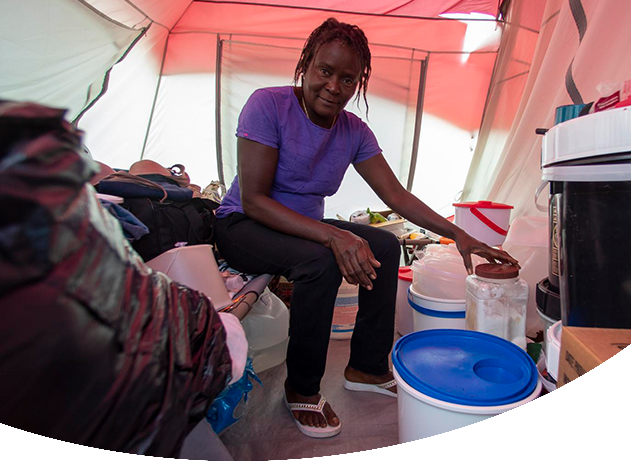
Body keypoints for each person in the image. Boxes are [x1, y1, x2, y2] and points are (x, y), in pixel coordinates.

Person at [214, 17, 519, 438]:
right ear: (306, 64)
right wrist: (334, 235)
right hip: (243, 224)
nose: (334, 87)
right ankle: (301, 388)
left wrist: (459, 234)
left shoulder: (353, 130)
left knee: (386, 245)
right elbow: (255, 200)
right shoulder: (268, 105)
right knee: (321, 260)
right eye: (325, 71)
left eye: (347, 78)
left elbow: (397, 196)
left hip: (301, 228)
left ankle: (367, 367)